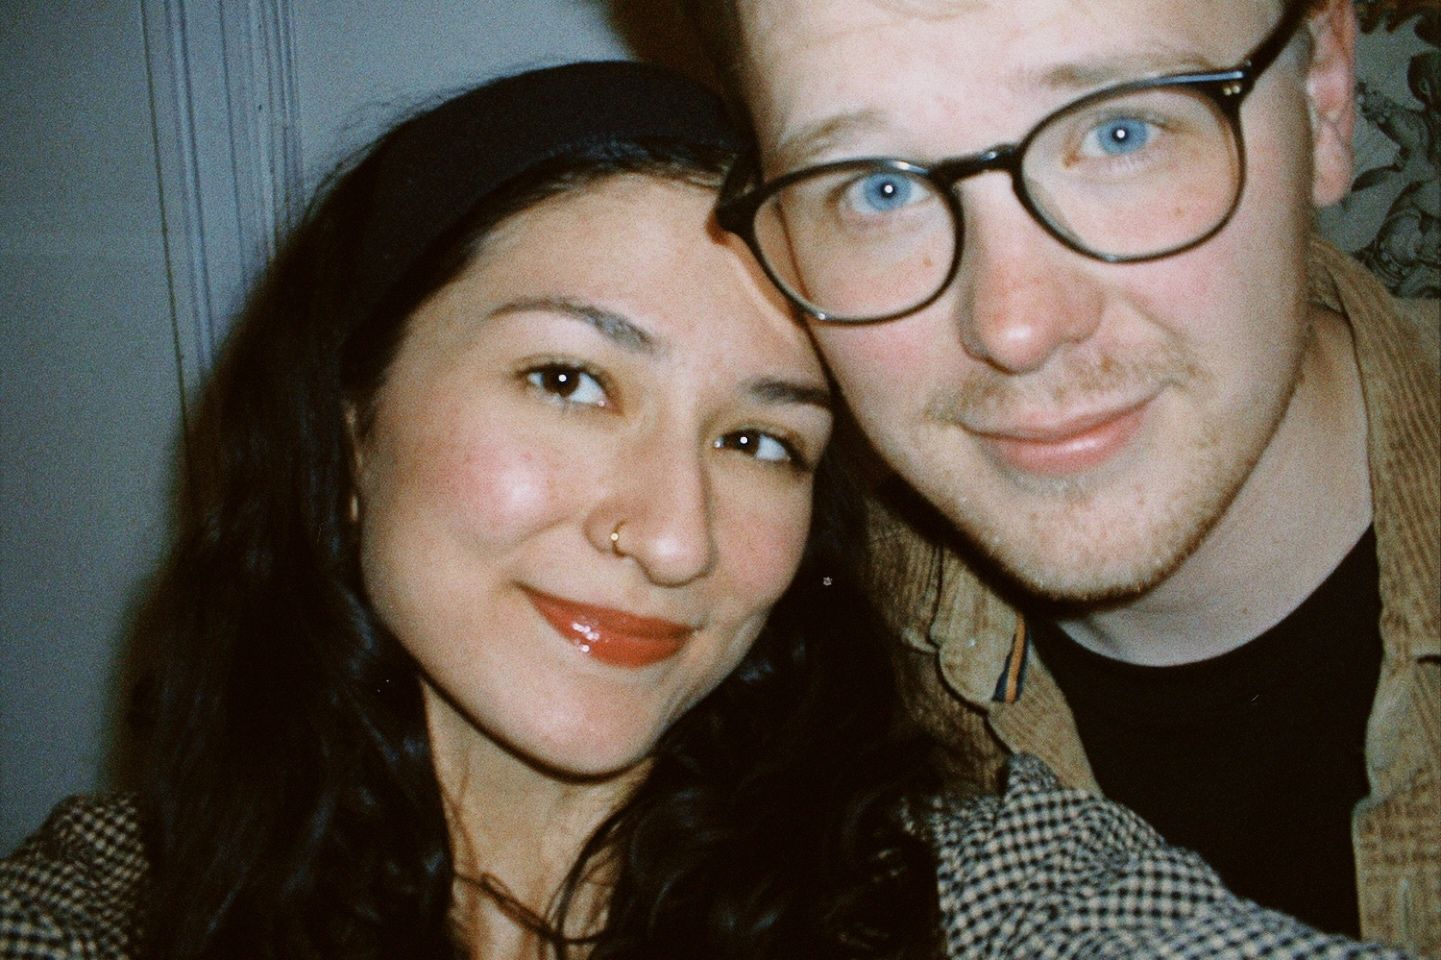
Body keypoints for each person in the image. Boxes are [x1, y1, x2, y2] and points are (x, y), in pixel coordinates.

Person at [0, 59, 1424, 960]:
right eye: (569, 380)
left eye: (758, 440)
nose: (678, 538)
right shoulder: (117, 897)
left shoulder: (969, 881)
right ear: (351, 420)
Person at [677, 0, 1441, 951]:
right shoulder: (765, 661)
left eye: (1120, 133)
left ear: (1322, 96)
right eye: (878, 189)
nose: (1015, 327)